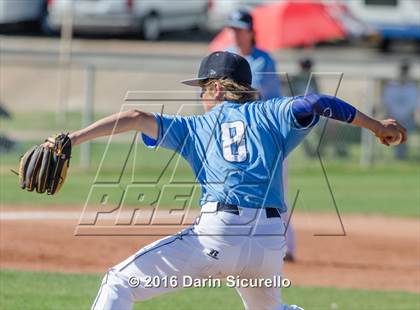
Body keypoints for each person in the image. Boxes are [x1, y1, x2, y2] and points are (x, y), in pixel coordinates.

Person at [48, 51, 406, 310]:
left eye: (203, 87)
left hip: (218, 235)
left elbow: (136, 117)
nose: (200, 95)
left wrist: (72, 139)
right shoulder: (272, 113)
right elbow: (316, 101)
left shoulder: (193, 126)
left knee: (119, 283)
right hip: (268, 244)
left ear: (218, 88)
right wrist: (377, 127)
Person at [226, 9, 301, 262]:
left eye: (239, 29)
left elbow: (251, 94)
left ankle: (286, 246)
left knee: (277, 191)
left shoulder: (263, 61)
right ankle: (240, 241)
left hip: (268, 134)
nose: (235, 34)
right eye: (233, 29)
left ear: (250, 31)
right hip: (239, 135)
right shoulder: (228, 57)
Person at [382, 60, 419, 159]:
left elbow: (414, 104)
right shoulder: (391, 86)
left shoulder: (412, 87)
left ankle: (401, 155)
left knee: (403, 135)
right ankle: (398, 155)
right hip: (393, 118)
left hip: (406, 118)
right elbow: (387, 103)